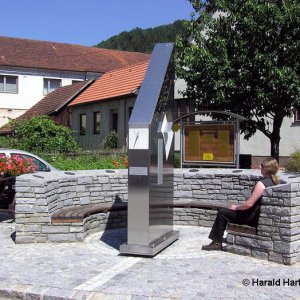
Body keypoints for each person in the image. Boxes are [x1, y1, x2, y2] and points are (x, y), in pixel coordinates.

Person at [202, 157, 280, 251]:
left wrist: (236, 207)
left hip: (251, 216)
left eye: (262, 166)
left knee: (223, 213)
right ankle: (217, 240)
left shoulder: (261, 184)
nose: (260, 167)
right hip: (258, 215)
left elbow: (249, 204)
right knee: (227, 211)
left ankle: (216, 243)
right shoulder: (275, 182)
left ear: (267, 169)